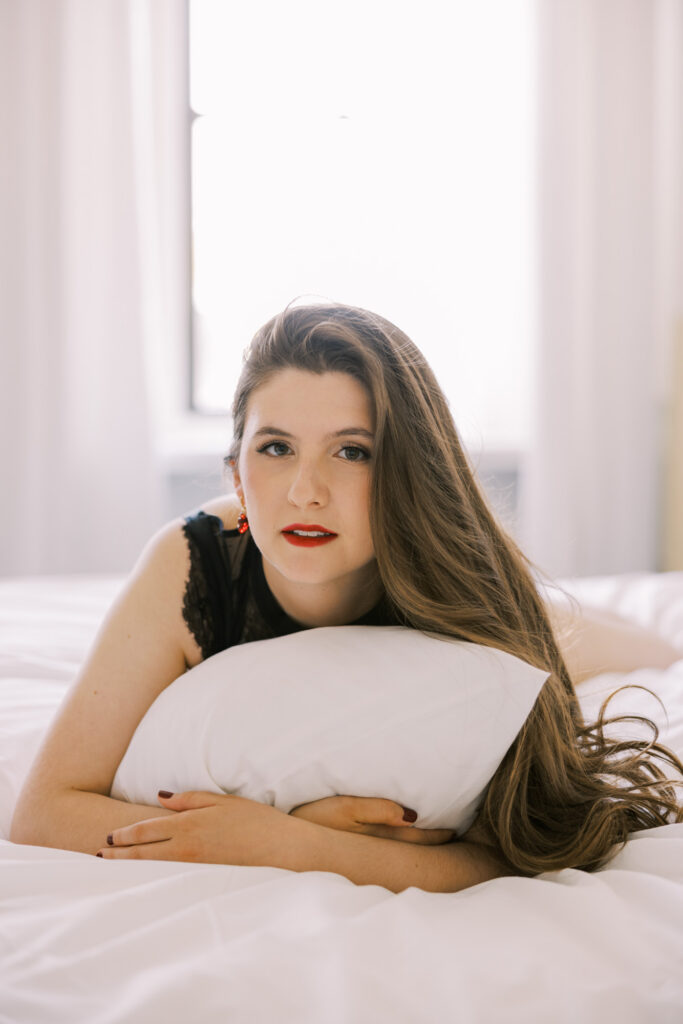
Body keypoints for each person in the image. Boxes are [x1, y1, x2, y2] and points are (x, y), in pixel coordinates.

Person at [10, 301, 683, 893]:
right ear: (236, 478)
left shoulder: (467, 585)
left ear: (406, 474)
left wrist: (295, 846)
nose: (306, 490)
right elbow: (43, 811)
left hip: (480, 587)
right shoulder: (191, 566)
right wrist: (268, 832)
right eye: (274, 448)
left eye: (351, 452)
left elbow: (517, 848)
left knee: (619, 642)